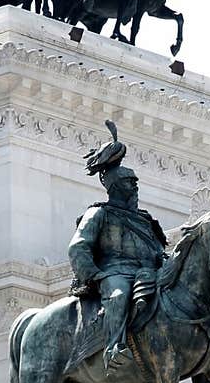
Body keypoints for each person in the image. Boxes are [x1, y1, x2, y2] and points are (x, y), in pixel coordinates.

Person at [68, 122, 168, 370]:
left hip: (148, 273)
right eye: (129, 183)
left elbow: (158, 251)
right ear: (115, 187)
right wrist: (94, 275)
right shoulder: (99, 214)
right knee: (119, 295)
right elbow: (78, 247)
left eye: (135, 183)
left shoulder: (145, 220)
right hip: (115, 272)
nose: (135, 188)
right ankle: (114, 348)